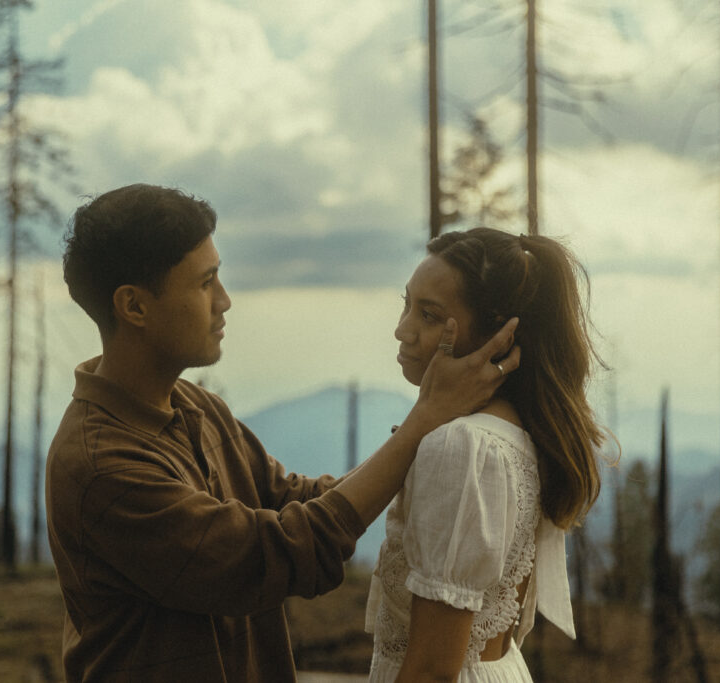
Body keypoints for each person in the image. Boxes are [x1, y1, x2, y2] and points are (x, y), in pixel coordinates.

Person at [46, 184, 521, 682]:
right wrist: (425, 421)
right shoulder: (101, 465)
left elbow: (297, 499)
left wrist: (434, 446)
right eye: (205, 283)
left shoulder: (198, 408)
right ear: (134, 307)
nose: (225, 301)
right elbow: (275, 552)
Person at [365, 227, 609, 682]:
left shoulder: (462, 448)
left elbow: (433, 668)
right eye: (407, 304)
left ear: (499, 334)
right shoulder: (515, 430)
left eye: (429, 315)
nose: (403, 329)